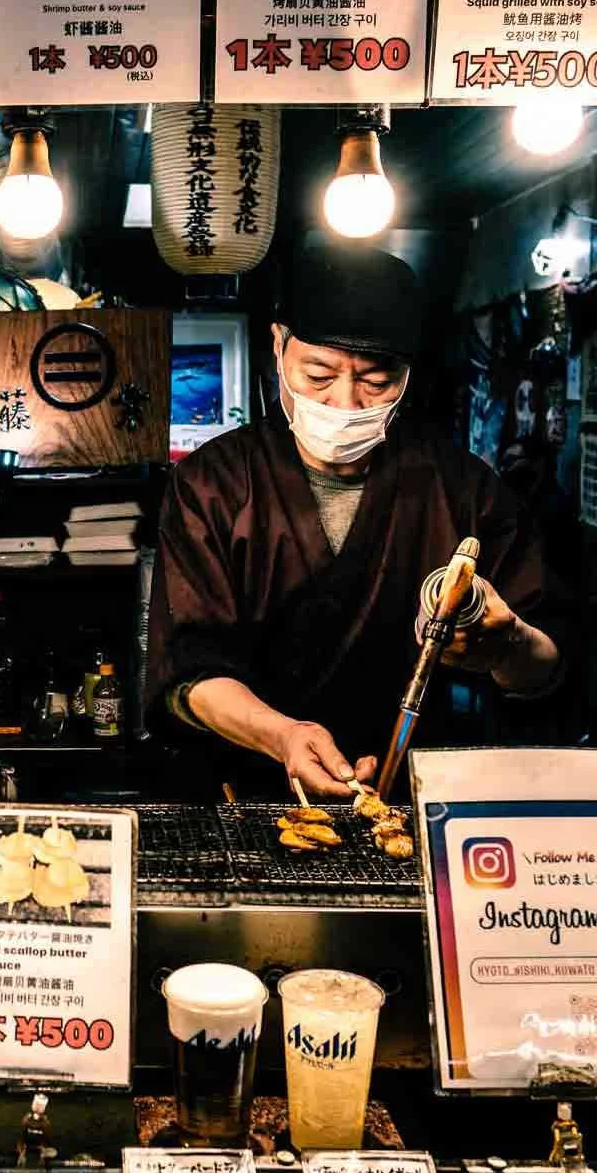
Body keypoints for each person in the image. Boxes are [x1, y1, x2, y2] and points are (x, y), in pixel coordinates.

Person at [148, 242, 565, 798]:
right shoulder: (213, 484)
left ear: (408, 375)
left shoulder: (462, 489)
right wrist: (283, 737)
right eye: (319, 373)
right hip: (251, 793)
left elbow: (549, 665)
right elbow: (188, 671)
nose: (345, 403)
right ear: (278, 346)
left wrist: (508, 644)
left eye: (375, 380)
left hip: (415, 796)